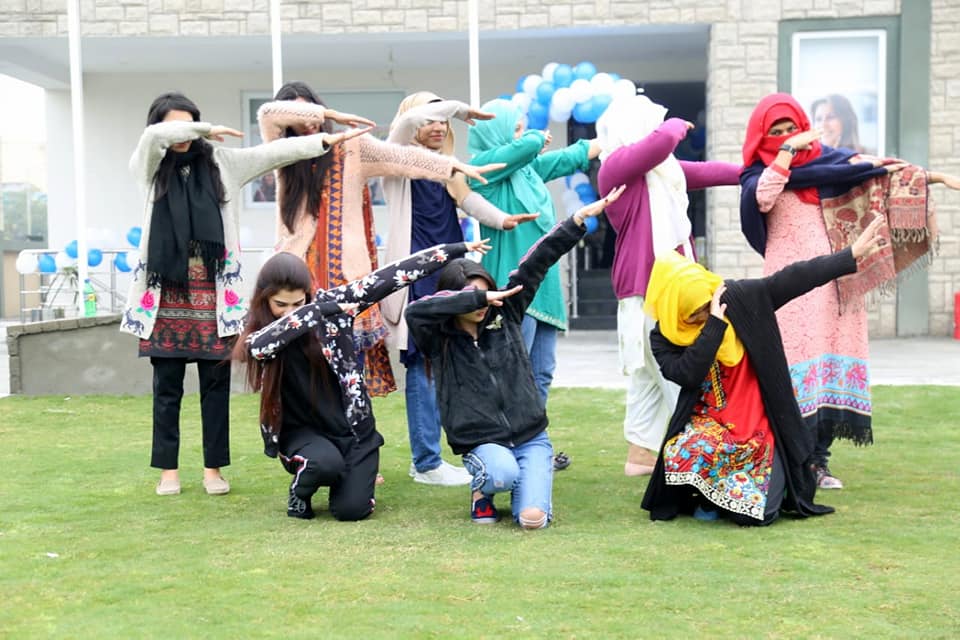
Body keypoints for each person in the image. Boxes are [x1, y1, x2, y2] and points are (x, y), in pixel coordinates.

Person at [121, 91, 365, 496]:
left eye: (189, 125)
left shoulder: (222, 163)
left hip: (215, 295)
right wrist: (201, 128)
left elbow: (272, 154)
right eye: (174, 126)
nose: (182, 135)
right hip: (165, 295)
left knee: (215, 389)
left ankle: (213, 470)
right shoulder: (149, 165)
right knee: (167, 390)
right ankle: (168, 472)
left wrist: (322, 139)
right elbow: (152, 139)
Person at [739, 93, 958, 489]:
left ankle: (818, 463)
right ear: (761, 135)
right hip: (791, 291)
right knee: (794, 369)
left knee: (829, 367)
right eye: (777, 131)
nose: (787, 135)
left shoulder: (832, 164)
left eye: (792, 128)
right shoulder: (759, 174)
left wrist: (934, 177)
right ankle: (793, 460)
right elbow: (764, 197)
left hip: (837, 284)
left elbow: (881, 170)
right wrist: (787, 152)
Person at [257, 81, 500, 401]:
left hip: (346, 276)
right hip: (298, 275)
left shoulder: (352, 148)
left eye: (312, 111)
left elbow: (400, 157)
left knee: (349, 375)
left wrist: (451, 166)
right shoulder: (281, 152)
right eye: (299, 115)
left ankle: (351, 430)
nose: (309, 121)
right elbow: (268, 114)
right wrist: (327, 114)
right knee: (304, 372)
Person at [641, 215, 886, 525]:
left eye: (706, 307)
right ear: (673, 310)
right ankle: (708, 496)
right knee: (682, 450)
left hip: (759, 425)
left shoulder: (738, 298)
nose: (703, 314)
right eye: (694, 313)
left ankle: (727, 496)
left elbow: (794, 278)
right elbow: (687, 374)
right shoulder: (664, 337)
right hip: (710, 425)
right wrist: (714, 325)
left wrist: (848, 256)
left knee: (758, 517)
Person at [405, 186, 625, 528]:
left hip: (530, 436)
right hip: (481, 440)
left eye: (486, 293)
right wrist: (476, 298)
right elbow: (416, 310)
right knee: (501, 474)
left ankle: (527, 480)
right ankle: (483, 490)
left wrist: (577, 220)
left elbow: (536, 262)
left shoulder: (505, 314)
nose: (483, 304)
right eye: (473, 298)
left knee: (532, 521)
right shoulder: (437, 336)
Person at [233, 239, 490, 520]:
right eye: (281, 304)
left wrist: (455, 249)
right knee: (323, 465)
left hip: (353, 430)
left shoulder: (333, 305)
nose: (290, 311)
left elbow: (393, 275)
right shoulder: (264, 328)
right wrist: (313, 311)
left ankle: (354, 475)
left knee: (352, 510)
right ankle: (301, 492)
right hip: (301, 432)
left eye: (299, 302)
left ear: (308, 293)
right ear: (264, 300)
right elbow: (258, 348)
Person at [380, 91, 540, 486]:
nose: (438, 126)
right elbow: (404, 125)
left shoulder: (449, 168)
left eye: (443, 121)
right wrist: (460, 109)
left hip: (451, 274)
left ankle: (449, 454)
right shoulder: (396, 160)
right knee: (421, 366)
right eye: (430, 119)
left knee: (449, 362)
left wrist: (503, 220)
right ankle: (425, 463)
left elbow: (468, 200)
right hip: (415, 276)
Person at [595, 94, 741, 478]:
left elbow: (710, 171)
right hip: (649, 290)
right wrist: (676, 125)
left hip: (658, 290)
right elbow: (660, 142)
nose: (659, 129)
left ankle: (640, 458)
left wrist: (751, 172)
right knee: (679, 372)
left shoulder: (661, 172)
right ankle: (697, 456)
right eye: (652, 123)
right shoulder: (615, 168)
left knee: (648, 378)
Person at [467, 98, 602, 469]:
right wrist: (533, 138)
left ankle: (532, 447)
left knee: (541, 373)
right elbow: (523, 149)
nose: (523, 134)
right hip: (512, 288)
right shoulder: (483, 169)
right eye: (515, 127)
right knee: (511, 372)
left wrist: (618, 137)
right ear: (495, 132)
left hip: (544, 288)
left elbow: (570, 157)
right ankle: (503, 449)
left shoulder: (527, 170)